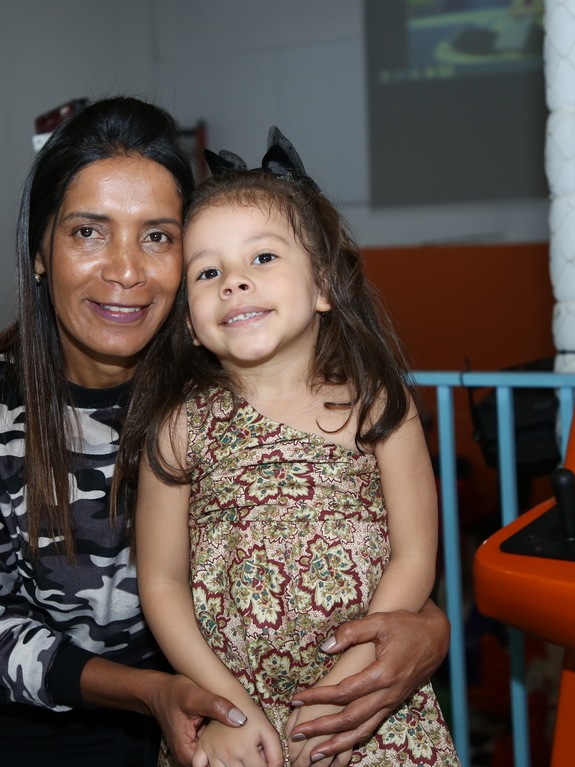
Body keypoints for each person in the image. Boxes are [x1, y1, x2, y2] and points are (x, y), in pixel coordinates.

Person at [0, 99, 452, 767]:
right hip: (63, 726)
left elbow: (360, 549)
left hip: (260, 716)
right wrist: (162, 693)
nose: (126, 269)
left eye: (157, 237)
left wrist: (426, 627)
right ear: (39, 252)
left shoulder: (228, 375)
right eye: (88, 232)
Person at [121, 129, 459, 767]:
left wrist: (345, 691)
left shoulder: (377, 402)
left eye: (263, 258)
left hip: (366, 711)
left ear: (324, 285)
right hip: (235, 723)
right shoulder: (179, 424)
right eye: (208, 272)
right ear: (189, 320)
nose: (234, 283)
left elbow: (415, 556)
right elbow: (161, 582)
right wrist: (223, 706)